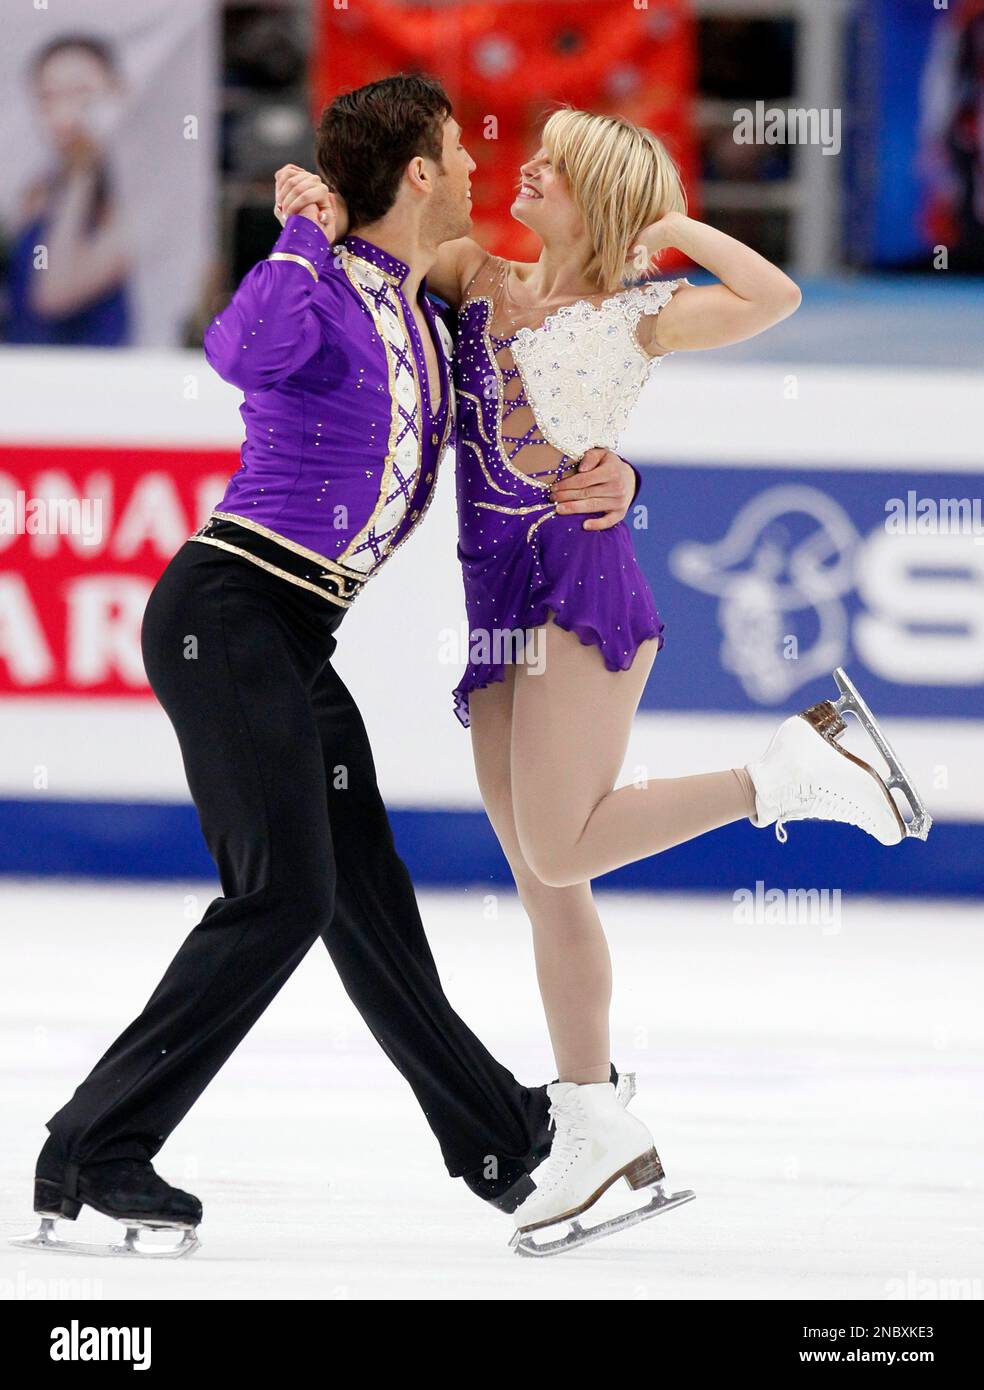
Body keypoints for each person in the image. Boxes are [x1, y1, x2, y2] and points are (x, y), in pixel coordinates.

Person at [281, 105, 932, 1254]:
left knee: (563, 844)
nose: (525, 167)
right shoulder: (476, 273)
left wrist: (669, 218)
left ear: (604, 202)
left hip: (578, 577)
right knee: (544, 874)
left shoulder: (642, 314)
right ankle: (594, 1117)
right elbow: (376, 247)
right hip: (491, 597)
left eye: (559, 168)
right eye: (531, 156)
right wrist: (316, 202)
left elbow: (775, 297)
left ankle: (783, 768)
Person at [17, 75, 643, 1260]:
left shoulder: (432, 308)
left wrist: (616, 478)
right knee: (285, 896)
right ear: (417, 173)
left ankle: (505, 1140)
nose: (474, 172)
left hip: (298, 634)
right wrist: (304, 231)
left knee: (365, 888)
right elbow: (241, 353)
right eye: (458, 153)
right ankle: (95, 1144)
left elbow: (534, 422)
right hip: (226, 610)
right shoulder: (321, 281)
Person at [4, 35, 130, 346]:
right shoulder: (38, 192)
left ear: (117, 97)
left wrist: (82, 173)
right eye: (48, 97)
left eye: (82, 95)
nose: (66, 113)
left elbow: (54, 297)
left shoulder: (132, 205)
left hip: (93, 379)